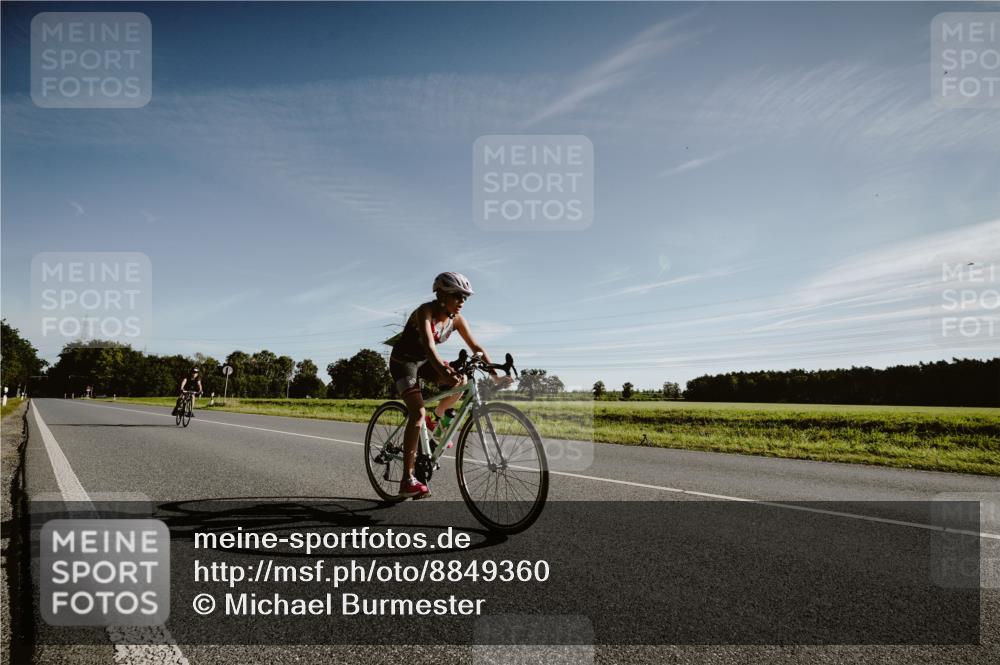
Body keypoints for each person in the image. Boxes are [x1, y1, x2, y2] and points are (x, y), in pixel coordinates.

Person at [388, 272, 510, 499]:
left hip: (425, 361)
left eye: (465, 297)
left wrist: (495, 376)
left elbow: (477, 348)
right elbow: (428, 345)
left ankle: (439, 416)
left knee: (462, 380)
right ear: (442, 294)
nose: (462, 301)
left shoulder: (457, 320)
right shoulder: (425, 311)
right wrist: (443, 370)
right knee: (417, 412)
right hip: (404, 362)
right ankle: (407, 479)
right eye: (457, 296)